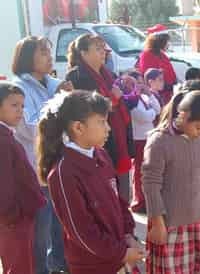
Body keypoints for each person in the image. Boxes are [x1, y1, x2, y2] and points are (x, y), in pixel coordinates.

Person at [37, 91, 144, 274]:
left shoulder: (100, 154)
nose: (108, 128)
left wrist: (128, 234)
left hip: (117, 254)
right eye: (102, 122)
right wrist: (121, 253)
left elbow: (118, 201)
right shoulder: (63, 172)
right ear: (78, 127)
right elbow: (81, 232)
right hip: (93, 265)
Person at [11, 36, 71, 274]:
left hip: (57, 165)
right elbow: (27, 128)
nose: (49, 57)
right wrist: (57, 112)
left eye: (49, 51)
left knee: (59, 226)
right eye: (42, 52)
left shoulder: (54, 84)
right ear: (27, 57)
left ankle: (59, 265)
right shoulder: (20, 88)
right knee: (40, 232)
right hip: (34, 170)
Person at [142, 91, 200, 273]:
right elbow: (151, 184)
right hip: (169, 224)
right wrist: (158, 223)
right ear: (183, 115)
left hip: (197, 220)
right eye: (199, 127)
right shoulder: (159, 141)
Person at [65, 33, 135, 203]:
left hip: (118, 138)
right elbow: (88, 110)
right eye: (97, 49)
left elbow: (121, 106)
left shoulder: (108, 73)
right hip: (99, 141)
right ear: (83, 53)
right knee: (106, 196)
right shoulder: (77, 76)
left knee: (123, 193)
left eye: (103, 49)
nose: (103, 52)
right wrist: (114, 99)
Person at [0, 82, 46, 274]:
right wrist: (12, 215)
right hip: (13, 219)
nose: (20, 111)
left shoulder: (7, 134)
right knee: (19, 267)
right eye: (14, 105)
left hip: (16, 216)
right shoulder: (2, 139)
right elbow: (4, 182)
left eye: (22, 105)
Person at [114, 74, 162, 214]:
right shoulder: (129, 100)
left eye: (140, 83)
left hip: (147, 138)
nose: (139, 86)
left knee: (147, 171)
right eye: (134, 83)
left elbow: (158, 109)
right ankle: (139, 201)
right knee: (139, 173)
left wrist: (150, 96)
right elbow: (143, 117)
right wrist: (151, 113)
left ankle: (147, 200)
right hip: (138, 140)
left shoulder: (142, 97)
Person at [137, 24, 177, 104]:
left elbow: (171, 74)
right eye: (166, 41)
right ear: (159, 41)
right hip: (157, 97)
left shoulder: (162, 54)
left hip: (168, 94)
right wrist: (167, 86)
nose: (168, 43)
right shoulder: (147, 55)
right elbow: (149, 79)